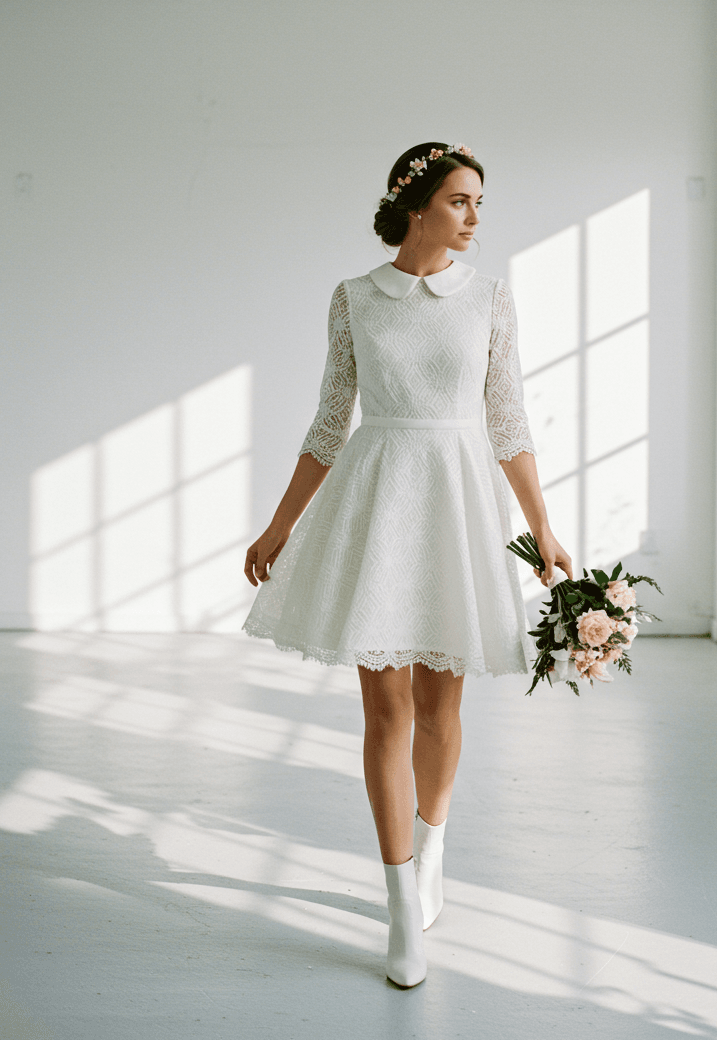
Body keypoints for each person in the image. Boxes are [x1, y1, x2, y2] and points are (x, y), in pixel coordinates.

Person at [242, 142, 572, 988]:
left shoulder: (489, 299)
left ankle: (432, 852)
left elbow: (509, 423)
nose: (473, 217)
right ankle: (398, 907)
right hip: (380, 504)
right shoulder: (355, 299)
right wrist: (280, 526)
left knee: (439, 704)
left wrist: (543, 532)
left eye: (478, 204)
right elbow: (328, 423)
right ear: (415, 203)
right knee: (385, 711)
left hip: (460, 508)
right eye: (461, 201)